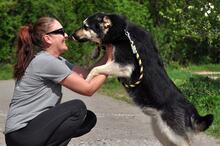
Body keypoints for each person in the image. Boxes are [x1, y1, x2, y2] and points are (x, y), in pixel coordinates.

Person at [4, 16, 113, 146]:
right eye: (61, 32)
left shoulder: (56, 60)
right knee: (77, 108)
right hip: (22, 134)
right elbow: (88, 89)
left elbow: (85, 74)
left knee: (88, 119)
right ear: (47, 38)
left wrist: (108, 54)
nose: (66, 35)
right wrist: (112, 63)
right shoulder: (46, 62)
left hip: (24, 134)